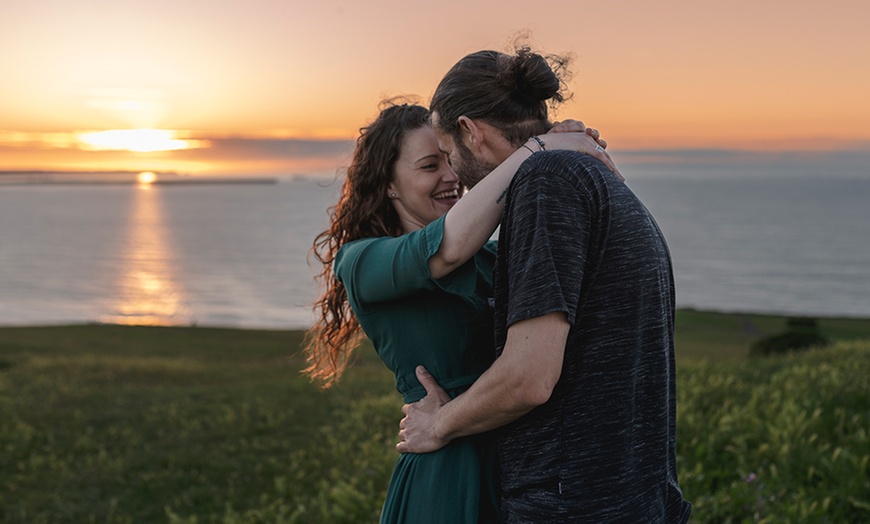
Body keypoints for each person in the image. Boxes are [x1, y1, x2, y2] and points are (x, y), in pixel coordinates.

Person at [396, 47, 693, 522]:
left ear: (471, 131)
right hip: (636, 497)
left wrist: (438, 424)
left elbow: (529, 378)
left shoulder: (544, 184)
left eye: (450, 153)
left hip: (572, 504)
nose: (455, 176)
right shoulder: (595, 177)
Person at [304, 100, 615, 523]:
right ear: (389, 185)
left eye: (450, 159)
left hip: (523, 472)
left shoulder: (492, 260)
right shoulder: (362, 262)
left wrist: (570, 153)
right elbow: (446, 248)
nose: (451, 177)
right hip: (447, 475)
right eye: (430, 166)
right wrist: (539, 149)